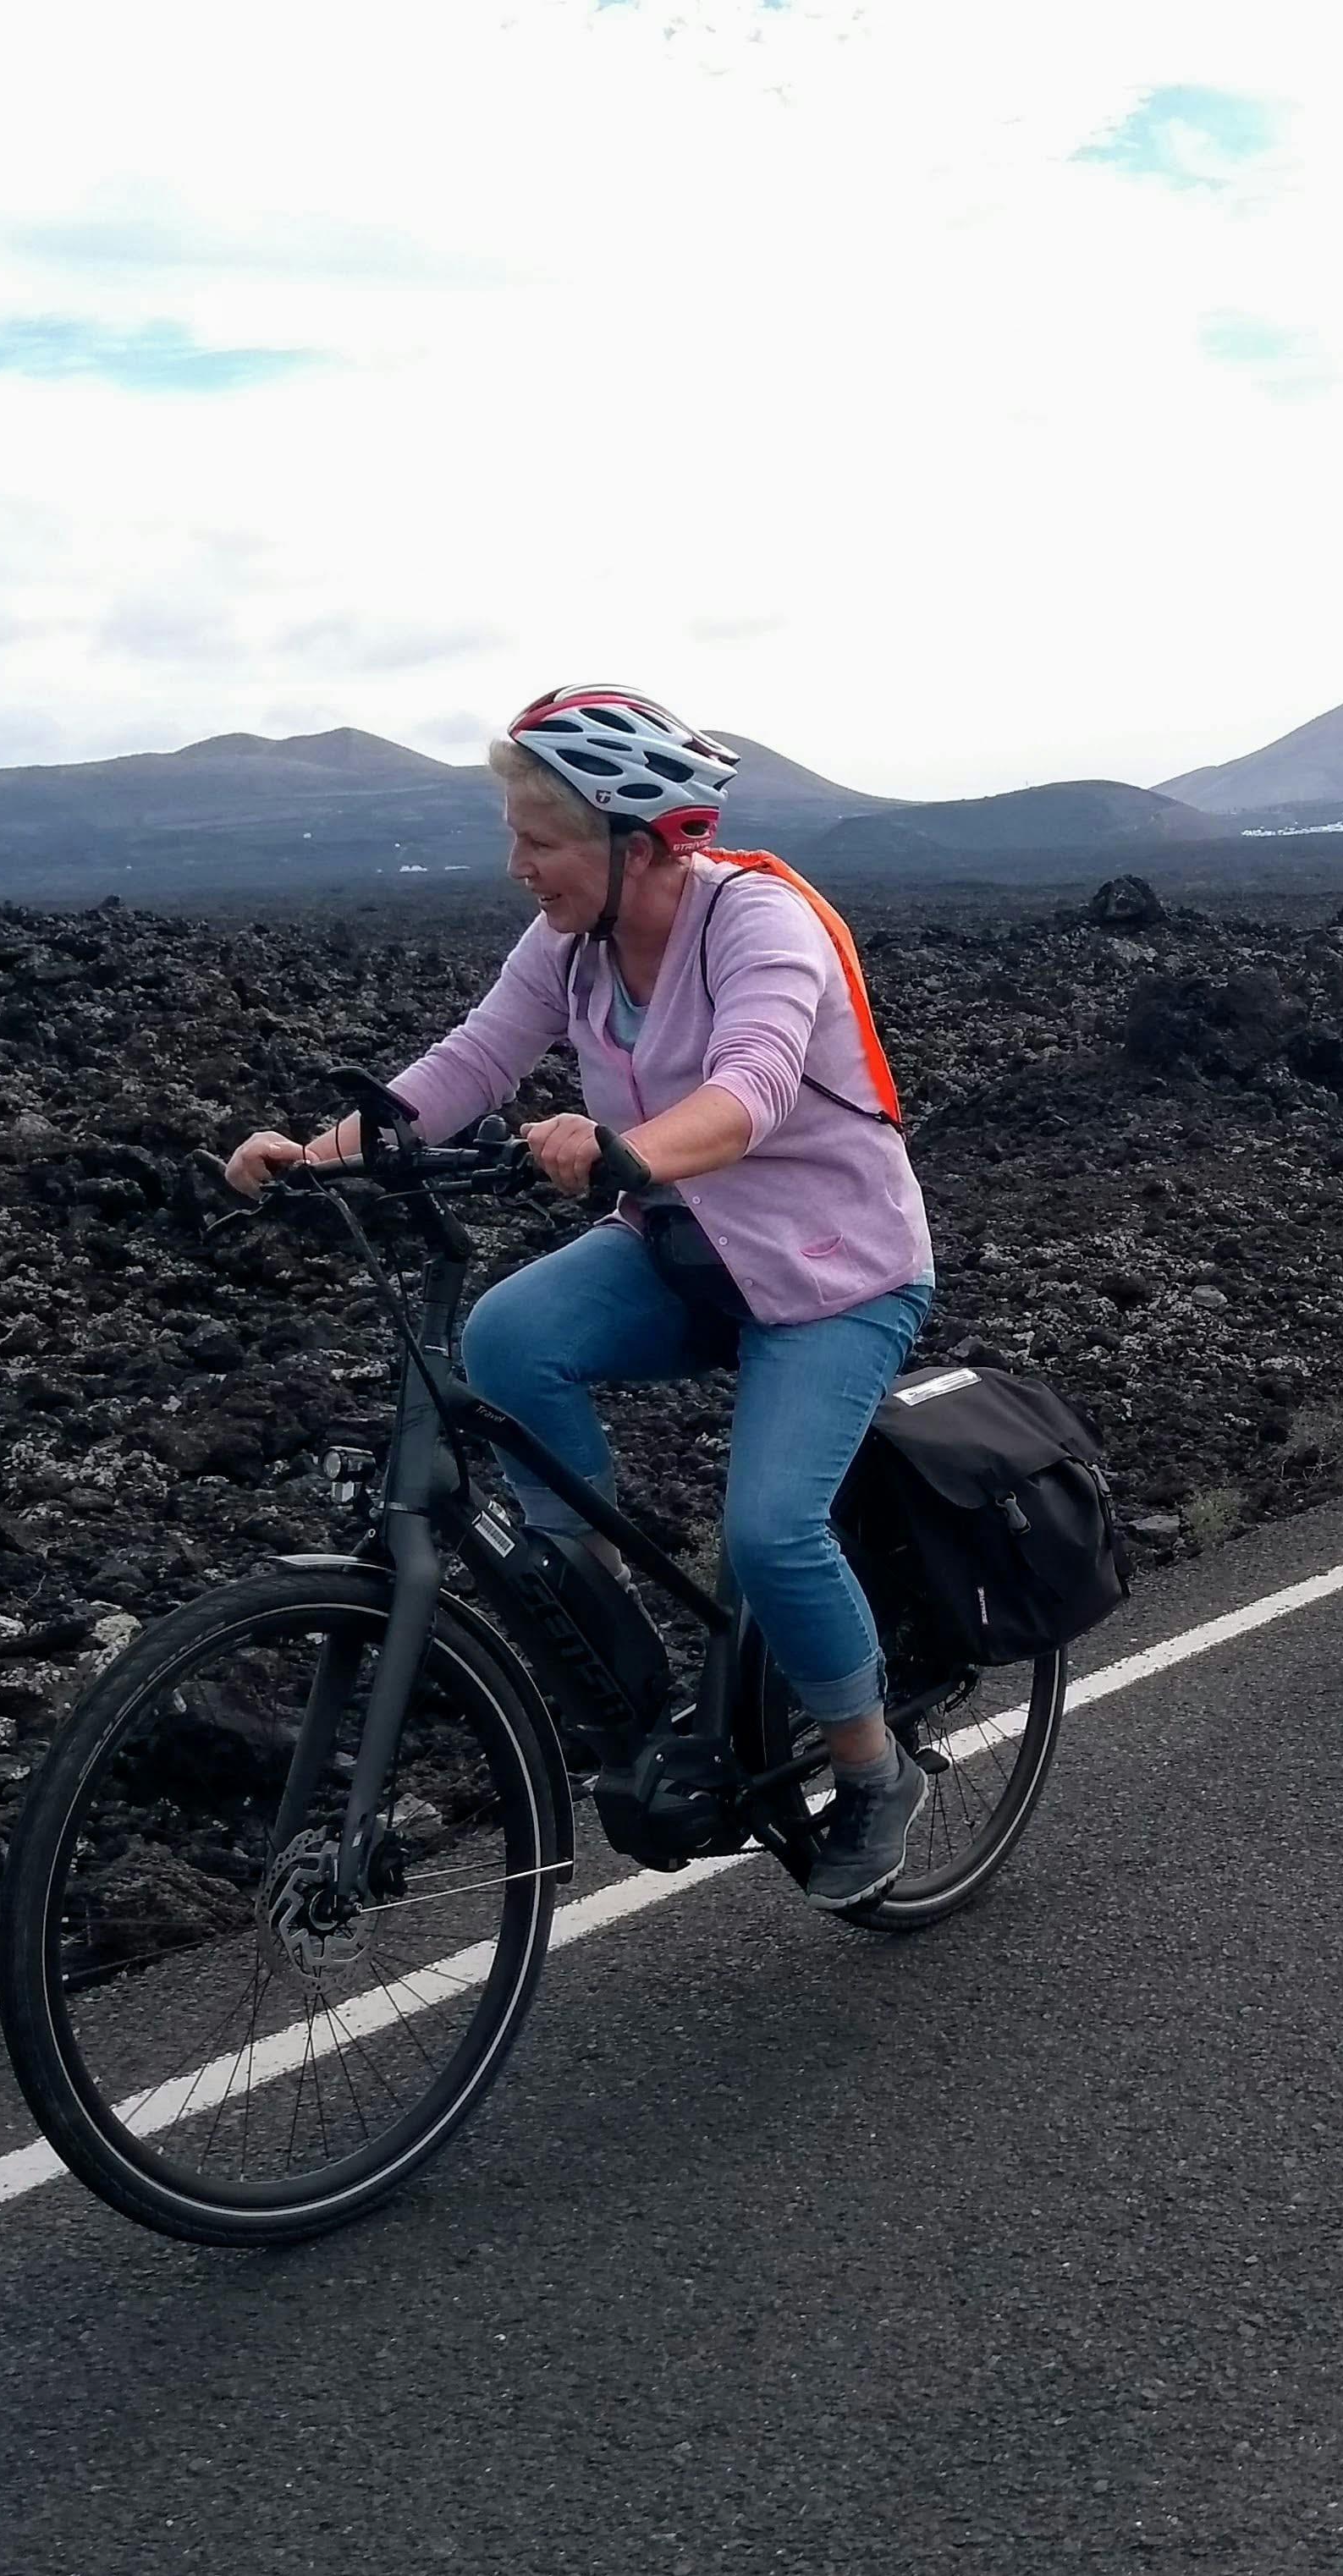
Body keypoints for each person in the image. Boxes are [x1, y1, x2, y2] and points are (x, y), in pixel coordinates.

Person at [224, 685, 938, 1910]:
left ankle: (874, 1771)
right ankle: (593, 1615)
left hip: (833, 1274)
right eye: (515, 837)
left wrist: (630, 1150)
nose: (518, 868)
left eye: (541, 841)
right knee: (508, 1337)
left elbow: (757, 1084)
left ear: (642, 838)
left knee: (769, 1534)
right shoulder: (571, 942)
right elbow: (473, 1060)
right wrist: (325, 1151)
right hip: (690, 1251)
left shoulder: (761, 922)